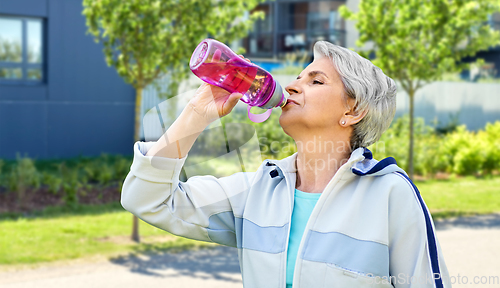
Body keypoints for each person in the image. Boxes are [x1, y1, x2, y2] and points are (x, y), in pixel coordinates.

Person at [121, 41, 451, 288]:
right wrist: (197, 112)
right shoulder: (256, 193)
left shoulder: (390, 194)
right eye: (297, 77)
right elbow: (148, 199)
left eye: (316, 81)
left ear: (353, 111)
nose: (292, 86)